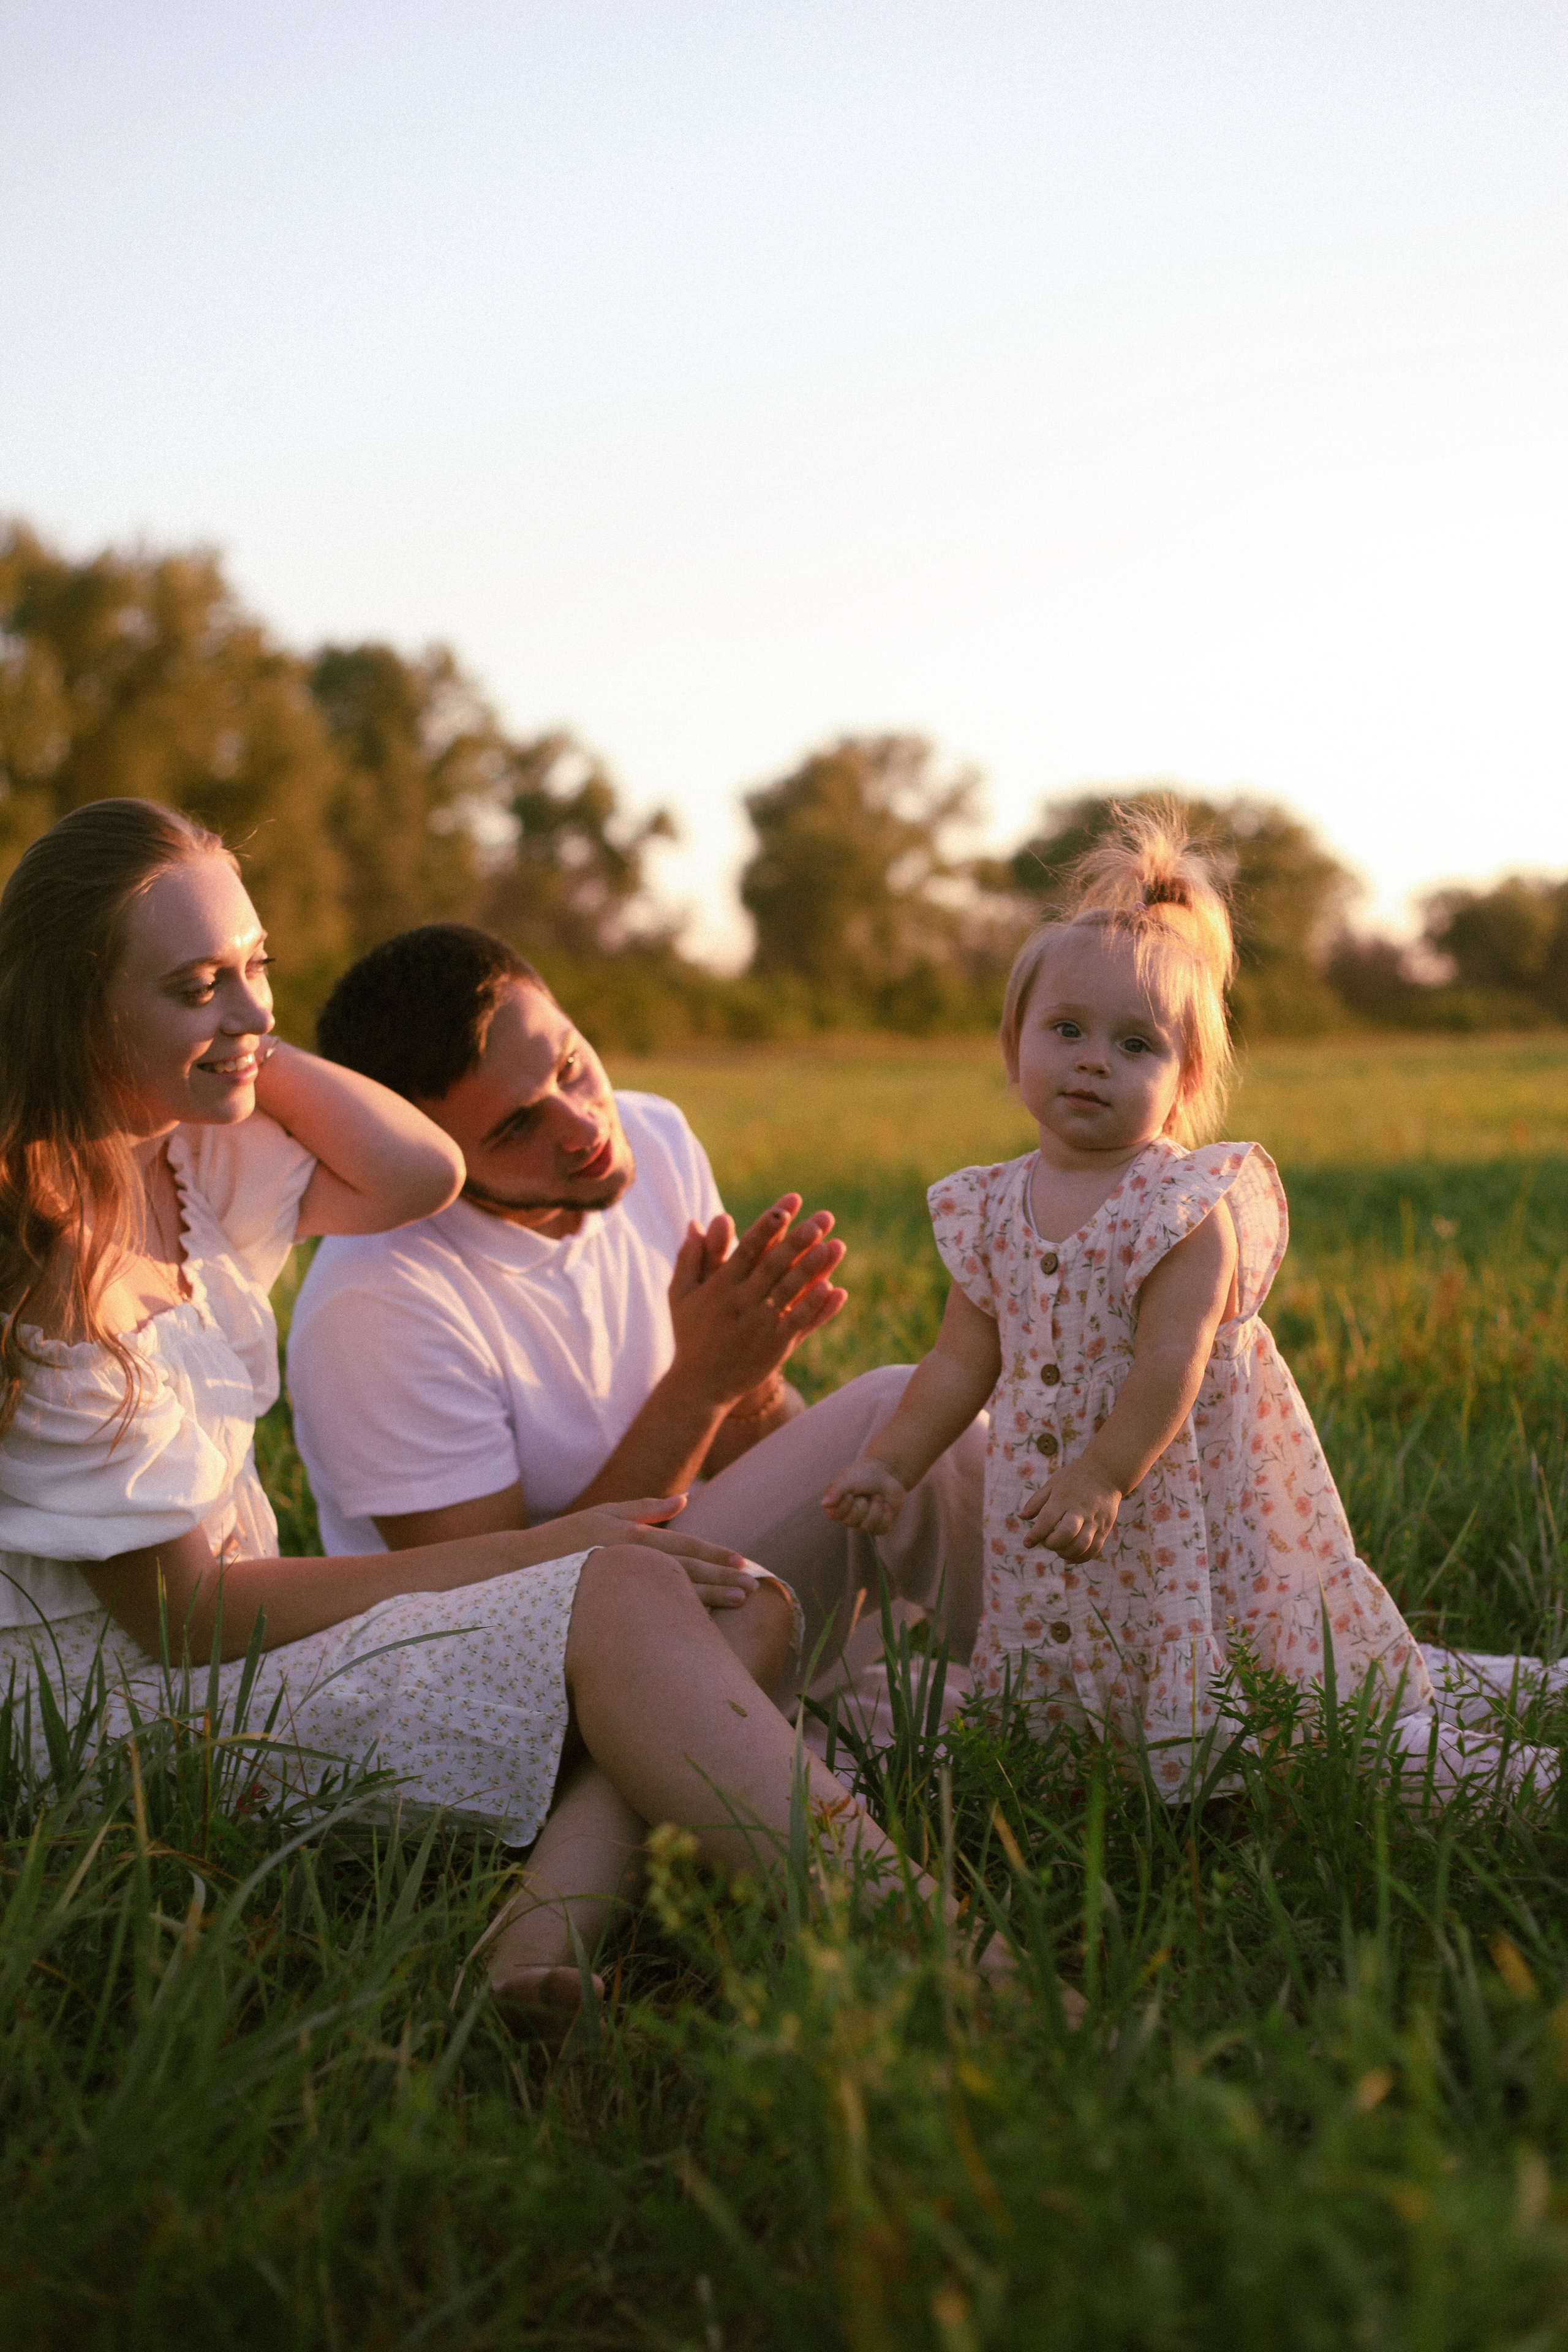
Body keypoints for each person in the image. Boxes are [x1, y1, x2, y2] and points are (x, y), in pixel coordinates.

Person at [0, 800, 982, 2027]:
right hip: (130, 1726)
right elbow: (181, 1621)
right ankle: (954, 1968)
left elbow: (420, 1169)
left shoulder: (187, 1160)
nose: (250, 1010)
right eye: (196, 985)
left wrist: (240, 1040)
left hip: (241, 1641)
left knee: (736, 1596)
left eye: (258, 968)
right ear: (77, 1014)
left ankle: (530, 1954)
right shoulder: (59, 1271)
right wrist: (545, 1548)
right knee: (646, 1585)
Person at [823, 804, 1551, 1796]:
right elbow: (960, 1361)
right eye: (1067, 1031)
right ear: (1014, 1045)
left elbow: (1175, 1360)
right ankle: (1100, 1758)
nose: (1093, 1059)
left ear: (1185, 1081)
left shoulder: (1181, 1205)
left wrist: (1105, 1474)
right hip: (1053, 1495)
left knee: (1264, 1669)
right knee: (1076, 1628)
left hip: (1173, 1487)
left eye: (1135, 1046)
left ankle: (1493, 1760)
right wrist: (890, 1462)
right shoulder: (990, 1206)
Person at [285, 927, 986, 1736]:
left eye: (571, 1066)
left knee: (939, 1652)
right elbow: (489, 1604)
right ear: (425, 1155)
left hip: (701, 1590)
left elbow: (756, 1448)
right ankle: (1108, 1700)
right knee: (888, 1406)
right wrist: (700, 1388)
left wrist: (752, 1388)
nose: (582, 1127)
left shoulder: (652, 1138)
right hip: (513, 1686)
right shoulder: (378, 1298)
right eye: (515, 1129)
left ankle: (1094, 1680)